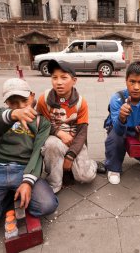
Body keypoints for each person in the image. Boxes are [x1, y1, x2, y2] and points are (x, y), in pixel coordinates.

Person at [0, 78, 58, 241]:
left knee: (47, 205)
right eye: (13, 102)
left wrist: (27, 182)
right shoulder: (1, 115)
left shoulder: (42, 122)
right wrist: (13, 115)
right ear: (6, 102)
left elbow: (37, 153)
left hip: (23, 170)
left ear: (32, 96)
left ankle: (10, 194)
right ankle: (5, 198)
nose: (20, 106)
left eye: (24, 100)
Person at [36, 60, 97, 193]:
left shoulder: (81, 102)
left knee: (85, 177)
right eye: (54, 77)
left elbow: (82, 132)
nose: (58, 82)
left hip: (75, 141)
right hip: (54, 139)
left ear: (74, 80)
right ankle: (54, 183)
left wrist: (70, 156)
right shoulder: (44, 99)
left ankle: (92, 164)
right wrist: (58, 132)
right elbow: (39, 121)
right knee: (52, 145)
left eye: (64, 77)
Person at [103, 61, 140, 185]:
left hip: (137, 131)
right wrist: (122, 117)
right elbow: (117, 129)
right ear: (126, 81)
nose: (136, 87)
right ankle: (113, 168)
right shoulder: (117, 99)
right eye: (132, 81)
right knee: (116, 138)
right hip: (119, 130)